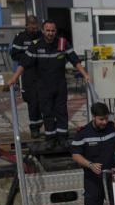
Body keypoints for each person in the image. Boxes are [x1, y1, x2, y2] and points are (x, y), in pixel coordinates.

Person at [6, 20, 91, 149]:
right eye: (48, 30)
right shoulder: (36, 45)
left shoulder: (62, 43)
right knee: (48, 113)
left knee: (62, 112)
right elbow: (24, 63)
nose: (50, 33)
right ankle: (50, 138)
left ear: (55, 31)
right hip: (43, 86)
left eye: (52, 30)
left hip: (59, 85)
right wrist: (14, 78)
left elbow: (74, 60)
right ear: (43, 31)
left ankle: (62, 138)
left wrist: (85, 75)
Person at [8, 15, 43, 138]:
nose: (34, 31)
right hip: (28, 73)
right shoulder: (20, 38)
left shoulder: (41, 35)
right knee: (32, 101)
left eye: (36, 28)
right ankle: (34, 128)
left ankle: (46, 125)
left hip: (41, 73)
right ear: (27, 26)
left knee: (44, 101)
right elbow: (14, 55)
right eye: (32, 28)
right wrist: (28, 59)